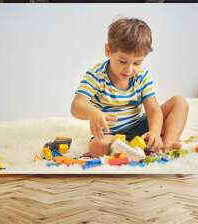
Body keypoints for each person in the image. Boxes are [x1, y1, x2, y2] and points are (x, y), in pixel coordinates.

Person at [71, 18, 188, 157]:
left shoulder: (141, 76)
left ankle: (165, 145)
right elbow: (76, 106)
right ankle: (133, 149)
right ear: (108, 51)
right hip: (110, 134)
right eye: (122, 61)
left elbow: (153, 109)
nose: (129, 69)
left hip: (139, 127)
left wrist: (155, 132)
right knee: (98, 146)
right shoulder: (96, 75)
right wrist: (93, 113)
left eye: (137, 63)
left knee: (179, 102)